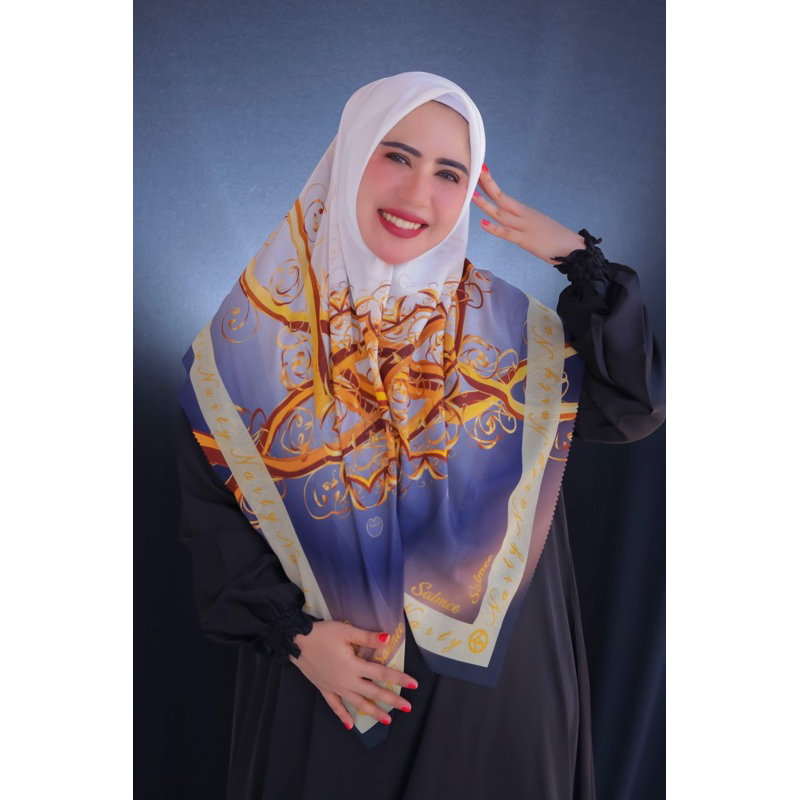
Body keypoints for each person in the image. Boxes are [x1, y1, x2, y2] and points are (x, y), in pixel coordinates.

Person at [178, 72, 664, 799]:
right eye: (396, 156)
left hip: (499, 706)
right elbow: (213, 522)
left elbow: (633, 406)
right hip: (338, 693)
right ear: (349, 156)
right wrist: (297, 639)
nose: (417, 194)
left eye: (449, 174)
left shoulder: (521, 334)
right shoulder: (244, 345)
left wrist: (581, 262)